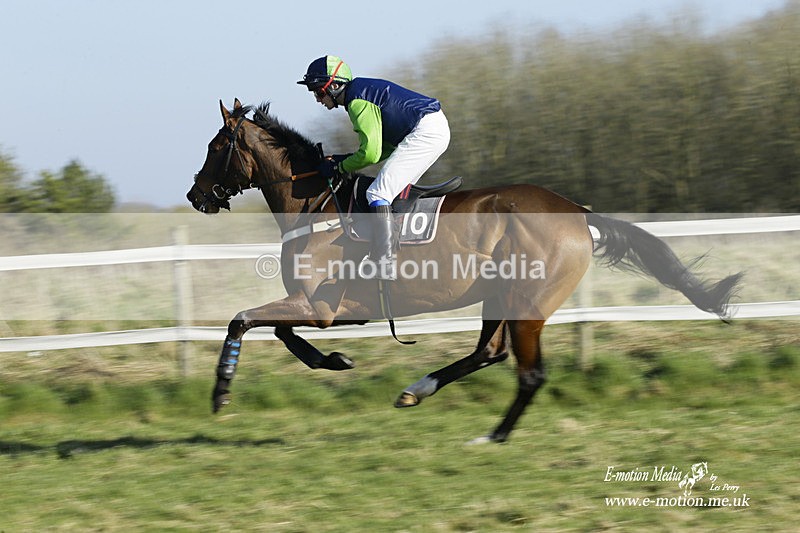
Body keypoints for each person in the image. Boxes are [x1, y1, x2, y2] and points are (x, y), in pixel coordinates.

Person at [297, 55, 450, 281]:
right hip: (429, 129)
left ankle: (384, 261)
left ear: (335, 86)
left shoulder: (357, 102)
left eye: (319, 91)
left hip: (425, 132)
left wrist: (340, 166)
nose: (318, 99)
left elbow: (371, 153)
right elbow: (384, 149)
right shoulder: (360, 94)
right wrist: (344, 159)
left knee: (377, 192)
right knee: (391, 191)